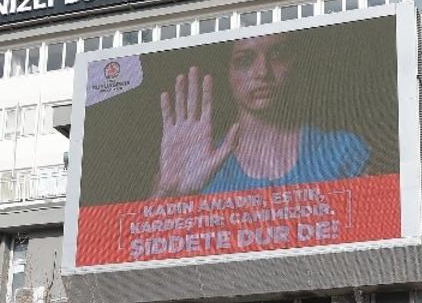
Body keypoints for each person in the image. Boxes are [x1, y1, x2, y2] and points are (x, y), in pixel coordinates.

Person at [151, 32, 370, 198]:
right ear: (226, 71)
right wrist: (166, 195)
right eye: (245, 60)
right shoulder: (196, 163)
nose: (263, 72)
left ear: (296, 62)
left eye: (277, 55)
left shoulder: (343, 152)